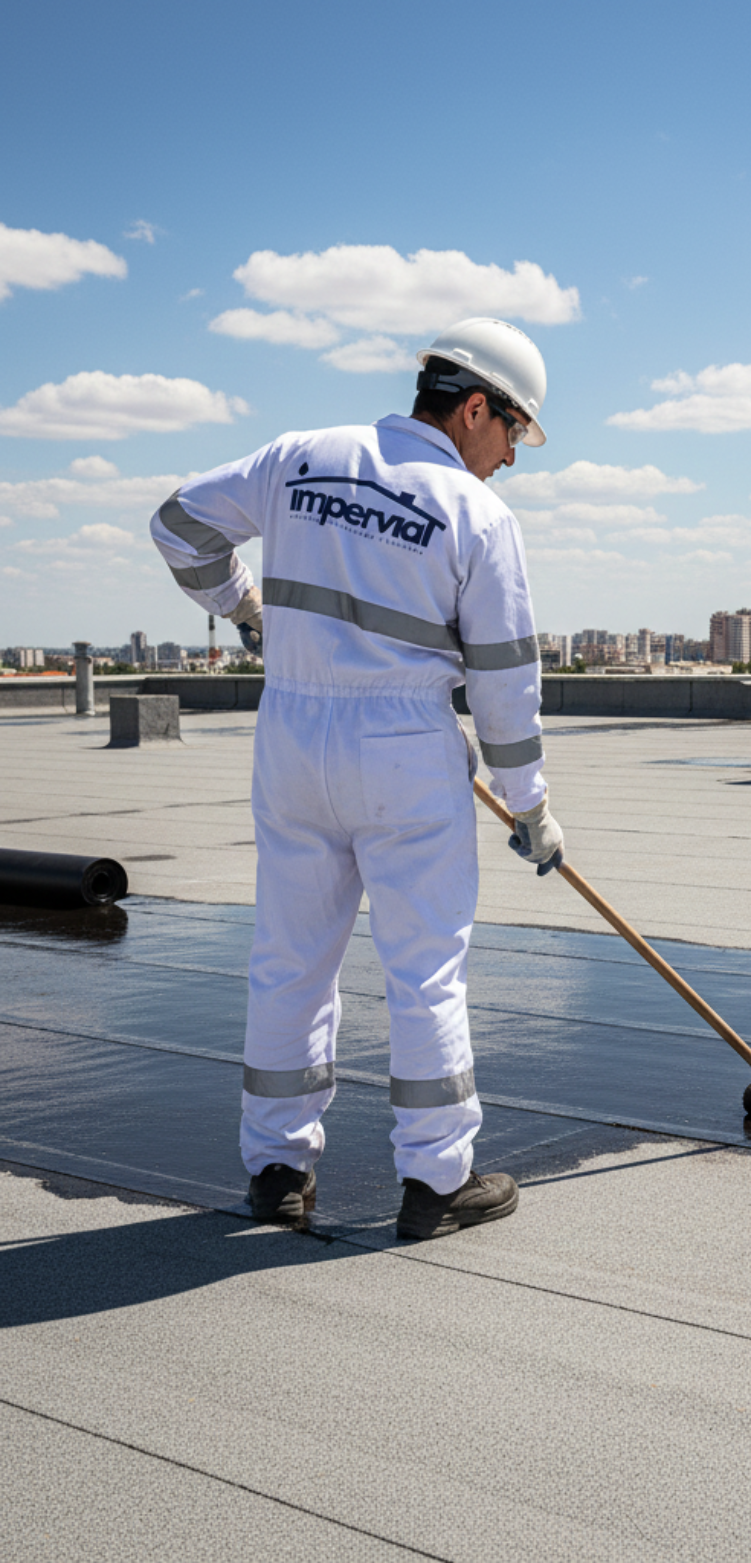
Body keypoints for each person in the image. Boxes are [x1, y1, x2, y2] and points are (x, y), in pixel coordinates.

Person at [150, 317, 564, 1239]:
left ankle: (277, 1169)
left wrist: (242, 605)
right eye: (513, 434)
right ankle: (435, 1180)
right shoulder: (477, 515)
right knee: (424, 968)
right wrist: (532, 807)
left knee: (290, 959)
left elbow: (176, 526)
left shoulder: (300, 456)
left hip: (293, 736)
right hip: (404, 751)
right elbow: (503, 685)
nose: (508, 460)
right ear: (472, 409)